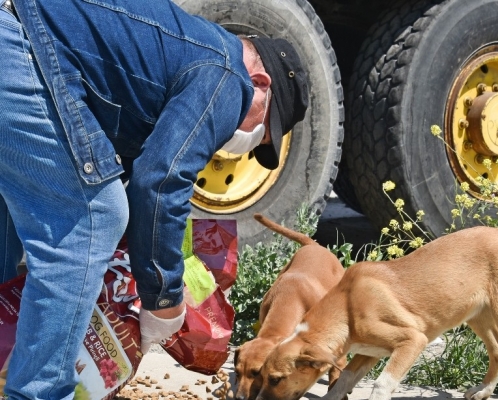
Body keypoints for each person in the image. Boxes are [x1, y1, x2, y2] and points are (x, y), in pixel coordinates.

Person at [0, 0, 309, 398]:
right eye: (262, 131)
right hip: (20, 47)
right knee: (92, 219)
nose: (245, 143)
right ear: (261, 84)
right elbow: (161, 181)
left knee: (13, 206)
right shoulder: (227, 75)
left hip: (17, 35)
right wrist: (163, 299)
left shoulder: (183, 52)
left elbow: (128, 169)